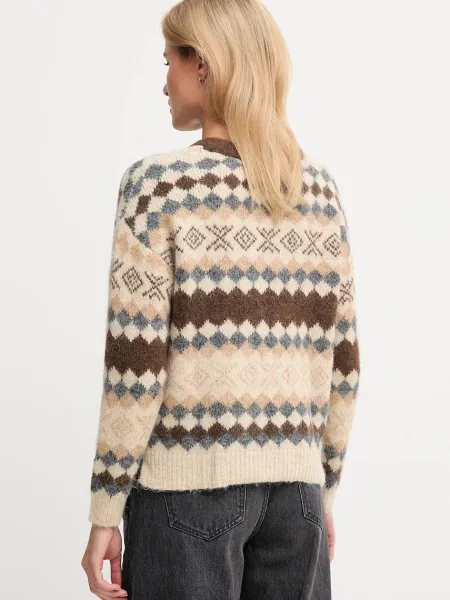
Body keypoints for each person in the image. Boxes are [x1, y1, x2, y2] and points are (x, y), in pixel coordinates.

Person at [81, 1, 361, 598]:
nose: (164, 82)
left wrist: (106, 509)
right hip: (298, 499)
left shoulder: (157, 188)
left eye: (169, 62)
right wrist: (323, 488)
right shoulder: (318, 192)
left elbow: (135, 367)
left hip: (185, 495)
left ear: (202, 64)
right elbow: (344, 365)